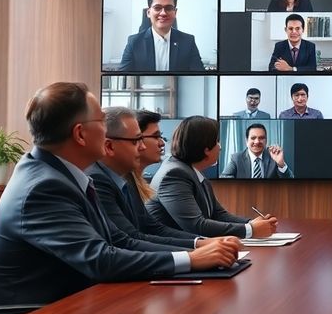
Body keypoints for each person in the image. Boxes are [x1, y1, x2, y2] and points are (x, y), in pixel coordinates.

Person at [0, 83, 239, 305]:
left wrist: (195, 253)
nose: (106, 129)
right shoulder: (43, 189)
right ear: (80, 134)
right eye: (101, 120)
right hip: (44, 312)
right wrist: (191, 260)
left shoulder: (63, 175)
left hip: (79, 301)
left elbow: (120, 240)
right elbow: (100, 259)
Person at [88, 107, 239, 250]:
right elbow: (128, 240)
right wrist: (196, 253)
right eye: (136, 140)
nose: (142, 147)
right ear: (109, 146)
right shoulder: (98, 179)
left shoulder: (126, 178)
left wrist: (201, 243)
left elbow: (152, 227)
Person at [146, 115, 279, 238]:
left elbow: (218, 214)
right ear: (205, 149)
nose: (220, 148)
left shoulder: (190, 170)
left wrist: (253, 222)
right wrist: (250, 229)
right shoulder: (174, 174)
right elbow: (196, 226)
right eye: (216, 142)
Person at [119, 0, 204, 72]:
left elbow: (200, 75)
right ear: (148, 13)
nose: (163, 13)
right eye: (157, 8)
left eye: (169, 8)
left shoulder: (188, 41)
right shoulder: (134, 42)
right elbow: (123, 75)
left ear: (175, 12)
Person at [220, 124, 294, 179]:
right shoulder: (237, 158)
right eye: (253, 138)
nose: (257, 141)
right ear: (246, 140)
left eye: (261, 138)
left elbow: (290, 180)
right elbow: (224, 177)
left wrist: (281, 164)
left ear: (266, 140)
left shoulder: (274, 156)